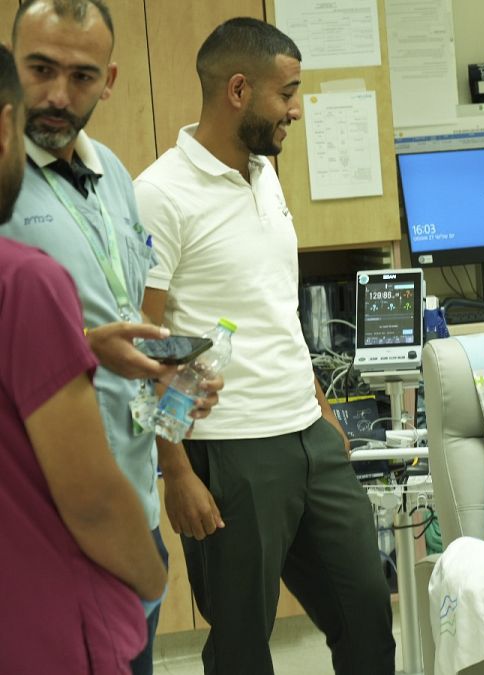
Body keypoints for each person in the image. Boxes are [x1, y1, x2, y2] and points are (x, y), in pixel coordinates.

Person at [134, 18, 395, 674]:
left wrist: (321, 408)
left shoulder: (264, 172)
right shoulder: (158, 194)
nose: (296, 110)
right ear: (238, 90)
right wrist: (177, 470)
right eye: (287, 93)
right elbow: (147, 345)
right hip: (229, 451)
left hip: (308, 435)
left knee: (368, 614)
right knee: (242, 648)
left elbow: (273, 307)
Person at [1, 2, 220, 671]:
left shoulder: (116, 178)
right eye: (40, 69)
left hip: (129, 498)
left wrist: (163, 371)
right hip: (48, 511)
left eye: (82, 76)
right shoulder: (4, 186)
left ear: (110, 81)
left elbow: (120, 312)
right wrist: (83, 346)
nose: (58, 94)